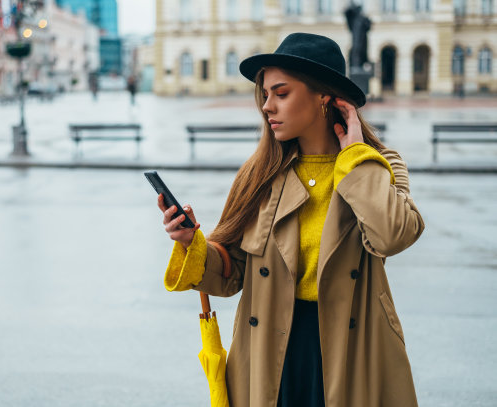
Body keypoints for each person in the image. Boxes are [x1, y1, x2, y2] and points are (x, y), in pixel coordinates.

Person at [156, 33, 424, 407]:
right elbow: (232, 273)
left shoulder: (379, 166)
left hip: (353, 350)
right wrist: (190, 243)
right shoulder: (259, 174)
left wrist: (356, 159)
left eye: (281, 93)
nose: (267, 106)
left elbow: (393, 236)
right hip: (270, 353)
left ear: (324, 98)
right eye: (265, 95)